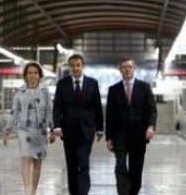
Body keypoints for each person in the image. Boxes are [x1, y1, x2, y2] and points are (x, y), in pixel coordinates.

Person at [53, 54, 104, 195]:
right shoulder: (62, 84)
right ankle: (74, 192)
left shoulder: (92, 83)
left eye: (78, 65)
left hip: (86, 130)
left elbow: (97, 107)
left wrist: (100, 128)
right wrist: (57, 126)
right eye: (73, 65)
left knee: (83, 163)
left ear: (82, 66)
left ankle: (83, 192)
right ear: (69, 67)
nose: (75, 68)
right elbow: (57, 107)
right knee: (72, 165)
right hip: (68, 131)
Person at [106, 58, 157, 195]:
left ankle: (133, 192)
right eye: (124, 67)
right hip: (119, 134)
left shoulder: (144, 87)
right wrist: (109, 137)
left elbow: (152, 108)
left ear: (134, 69)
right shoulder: (113, 90)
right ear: (120, 70)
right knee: (120, 165)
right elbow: (110, 115)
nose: (127, 69)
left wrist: (151, 126)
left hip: (139, 134)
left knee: (136, 167)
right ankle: (123, 192)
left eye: (130, 67)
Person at [4, 62, 55, 195]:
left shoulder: (45, 91)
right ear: (26, 76)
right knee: (26, 158)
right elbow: (14, 111)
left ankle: (34, 190)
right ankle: (27, 189)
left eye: (35, 73)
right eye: (30, 73)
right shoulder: (19, 92)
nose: (33, 75)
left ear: (40, 75)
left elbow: (49, 110)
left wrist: (53, 128)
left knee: (37, 161)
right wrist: (8, 128)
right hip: (24, 129)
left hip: (41, 129)